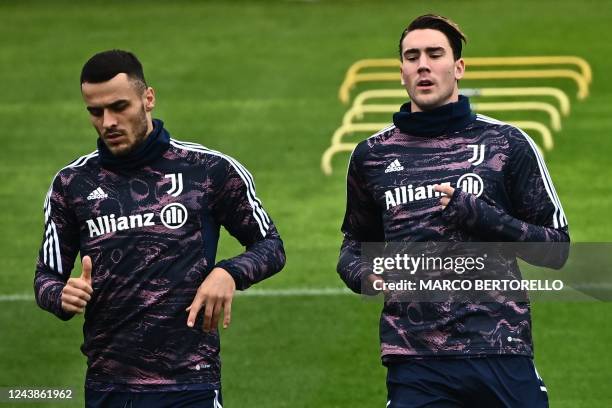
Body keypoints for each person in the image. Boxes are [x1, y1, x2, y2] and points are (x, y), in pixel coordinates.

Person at [337, 14, 569, 408]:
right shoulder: (371, 155)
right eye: (412, 57)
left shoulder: (506, 143)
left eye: (434, 54)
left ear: (458, 68)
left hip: (499, 348)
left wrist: (484, 218)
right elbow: (353, 245)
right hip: (415, 360)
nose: (423, 65)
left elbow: (558, 249)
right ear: (402, 72)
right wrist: (364, 274)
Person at [34, 49, 286, 408]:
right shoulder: (72, 184)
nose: (108, 122)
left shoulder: (209, 170)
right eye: (95, 112)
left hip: (190, 383)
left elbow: (271, 246)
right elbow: (46, 275)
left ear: (147, 98)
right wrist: (59, 296)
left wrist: (228, 273)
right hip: (109, 385)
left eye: (119, 107)